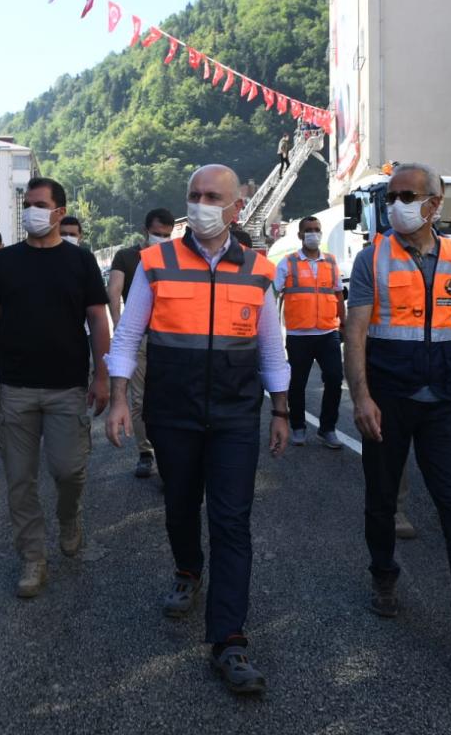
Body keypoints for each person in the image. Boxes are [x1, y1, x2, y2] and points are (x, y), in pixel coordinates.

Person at [106, 164, 289, 696]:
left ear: (236, 208)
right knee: (181, 506)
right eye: (195, 194)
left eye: (213, 197)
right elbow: (128, 334)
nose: (201, 204)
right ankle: (188, 570)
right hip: (172, 413)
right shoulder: (156, 262)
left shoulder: (258, 269)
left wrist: (281, 410)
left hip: (235, 415)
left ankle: (229, 640)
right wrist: (119, 399)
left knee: (232, 522)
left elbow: (271, 346)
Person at [343, 162, 451, 659]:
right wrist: (361, 397)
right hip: (389, 400)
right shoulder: (373, 258)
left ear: (435, 204)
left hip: (447, 402)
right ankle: (384, 576)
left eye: (407, 196)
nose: (396, 205)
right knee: (381, 499)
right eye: (391, 196)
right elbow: (356, 331)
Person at [0, 177, 111, 599]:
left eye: (39, 205)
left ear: (59, 212)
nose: (30, 212)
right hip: (15, 388)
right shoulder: (4, 263)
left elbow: (97, 319)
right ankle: (33, 557)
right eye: (27, 204)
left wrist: (102, 375)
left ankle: (69, 515)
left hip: (67, 387)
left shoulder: (80, 261)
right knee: (20, 480)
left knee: (69, 470)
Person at [107, 208, 175, 479]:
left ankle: (169, 457)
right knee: (139, 400)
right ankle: (146, 453)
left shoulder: (175, 258)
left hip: (170, 340)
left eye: (167, 235)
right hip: (141, 339)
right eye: (157, 234)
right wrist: (120, 327)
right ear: (145, 231)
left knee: (170, 398)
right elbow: (113, 291)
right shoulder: (126, 257)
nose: (162, 239)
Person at [275, 216, 345, 449]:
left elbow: (338, 295)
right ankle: (298, 427)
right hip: (299, 336)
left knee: (334, 379)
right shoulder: (288, 263)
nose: (313, 233)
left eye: (317, 229)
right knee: (297, 383)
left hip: (327, 332)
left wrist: (343, 324)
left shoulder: (331, 262)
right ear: (300, 235)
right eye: (308, 230)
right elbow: (273, 292)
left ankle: (327, 429)